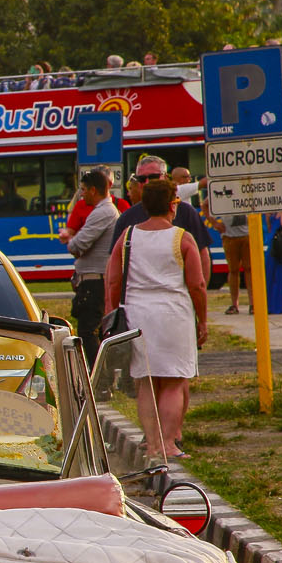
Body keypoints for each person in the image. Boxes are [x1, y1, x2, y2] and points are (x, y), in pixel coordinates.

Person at [104, 178, 207, 461]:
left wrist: (111, 313)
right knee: (174, 380)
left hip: (137, 316)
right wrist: (203, 319)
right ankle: (169, 444)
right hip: (174, 314)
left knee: (145, 382)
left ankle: (151, 445)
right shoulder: (182, 238)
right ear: (173, 205)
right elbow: (197, 284)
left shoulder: (127, 237)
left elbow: (112, 280)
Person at [66, 170, 119, 365]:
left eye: (83, 190)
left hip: (94, 282)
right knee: (91, 331)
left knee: (88, 332)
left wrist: (72, 242)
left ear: (94, 190)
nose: (81, 194)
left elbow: (77, 245)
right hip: (93, 280)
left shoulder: (103, 212)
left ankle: (100, 380)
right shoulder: (104, 211)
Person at [109, 156, 209, 258]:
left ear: (165, 177)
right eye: (142, 179)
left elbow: (202, 255)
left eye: (153, 177)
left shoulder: (187, 212)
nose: (147, 183)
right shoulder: (127, 218)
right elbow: (115, 260)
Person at [210, 207, 251, 314]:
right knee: (233, 270)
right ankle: (234, 305)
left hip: (248, 235)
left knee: (249, 269)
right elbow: (205, 204)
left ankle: (253, 304)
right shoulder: (223, 190)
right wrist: (215, 223)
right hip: (229, 236)